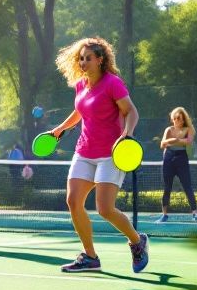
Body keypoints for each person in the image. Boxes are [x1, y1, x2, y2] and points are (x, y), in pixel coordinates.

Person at [48, 37, 149, 274]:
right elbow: (80, 111)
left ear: (100, 60)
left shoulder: (113, 83)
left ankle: (137, 241)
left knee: (104, 208)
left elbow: (131, 111)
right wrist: (61, 128)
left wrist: (127, 134)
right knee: (73, 202)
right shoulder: (82, 85)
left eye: (88, 58)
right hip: (84, 152)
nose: (83, 62)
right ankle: (90, 257)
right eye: (81, 58)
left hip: (110, 154)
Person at [157, 106, 197, 222]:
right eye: (175, 118)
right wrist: (173, 141)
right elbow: (162, 145)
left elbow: (189, 141)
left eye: (179, 118)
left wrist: (176, 141)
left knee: (187, 186)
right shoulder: (169, 130)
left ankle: (195, 213)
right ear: (172, 119)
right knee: (167, 187)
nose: (177, 120)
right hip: (168, 158)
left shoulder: (189, 129)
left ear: (184, 119)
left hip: (182, 158)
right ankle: (164, 215)